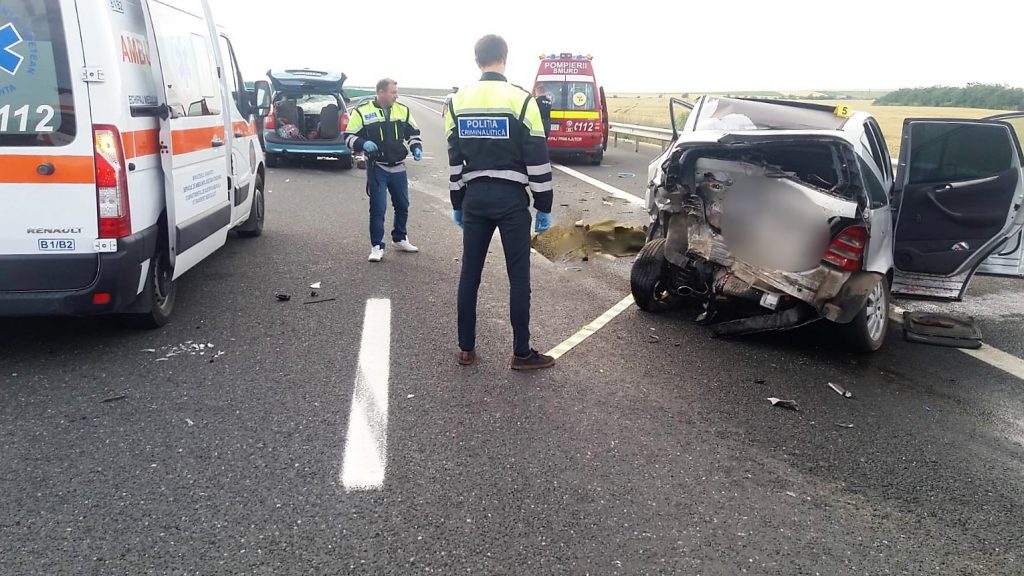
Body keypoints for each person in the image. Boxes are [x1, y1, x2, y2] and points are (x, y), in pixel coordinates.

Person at [446, 34, 555, 371]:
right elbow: (538, 159)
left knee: (470, 275)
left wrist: (457, 201)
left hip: (475, 197)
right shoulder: (523, 102)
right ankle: (521, 353)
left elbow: (454, 160)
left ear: (477, 60)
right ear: (504, 58)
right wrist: (544, 206)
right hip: (511, 201)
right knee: (518, 277)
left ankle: (466, 348)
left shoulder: (457, 101)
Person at [344, 78, 424, 262]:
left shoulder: (402, 110)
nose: (396, 96)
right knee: (378, 208)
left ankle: (400, 238)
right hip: (377, 168)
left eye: (396, 92)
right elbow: (348, 137)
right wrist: (363, 143)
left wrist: (416, 147)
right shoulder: (363, 112)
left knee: (403, 206)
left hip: (398, 168)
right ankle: (377, 246)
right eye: (393, 92)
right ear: (381, 92)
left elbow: (413, 134)